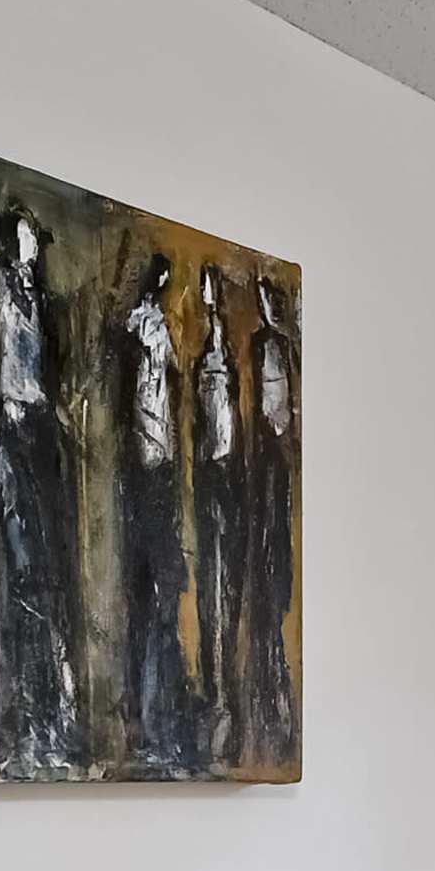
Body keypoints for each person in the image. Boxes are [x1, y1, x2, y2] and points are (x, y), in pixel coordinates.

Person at [0, 207, 81, 774]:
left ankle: (56, 706)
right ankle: (30, 707)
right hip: (9, 423)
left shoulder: (44, 303)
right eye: (26, 236)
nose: (33, 247)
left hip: (40, 427)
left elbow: (55, 370)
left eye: (36, 240)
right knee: (20, 562)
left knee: (50, 568)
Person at [112, 250, 193, 767]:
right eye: (158, 280)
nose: (162, 287)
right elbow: (133, 384)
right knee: (145, 595)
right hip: (140, 470)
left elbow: (169, 390)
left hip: (160, 467)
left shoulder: (162, 330)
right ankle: (144, 714)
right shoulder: (136, 328)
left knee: (167, 589)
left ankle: (161, 708)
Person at [242, 274, 300, 765]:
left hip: (277, 465)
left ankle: (276, 695)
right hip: (258, 465)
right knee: (265, 581)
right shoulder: (259, 345)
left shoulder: (286, 348)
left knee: (278, 583)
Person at [190, 262, 244, 766]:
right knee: (210, 587)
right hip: (207, 478)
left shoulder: (229, 362)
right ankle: (216, 696)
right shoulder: (198, 368)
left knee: (226, 590)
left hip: (226, 479)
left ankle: (227, 697)